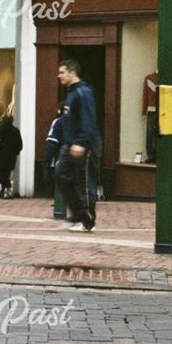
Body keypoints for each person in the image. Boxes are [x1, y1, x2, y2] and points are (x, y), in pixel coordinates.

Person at [56, 60, 102, 232]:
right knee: (61, 175)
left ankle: (88, 220)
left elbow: (89, 119)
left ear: (72, 72)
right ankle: (78, 214)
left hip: (84, 145)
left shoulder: (83, 92)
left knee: (84, 183)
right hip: (69, 144)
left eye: (62, 72)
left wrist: (81, 143)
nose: (59, 76)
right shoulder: (72, 93)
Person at [0, 115, 23, 199]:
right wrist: (15, 152)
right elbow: (20, 145)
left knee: (1, 173)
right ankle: (3, 190)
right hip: (11, 156)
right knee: (6, 173)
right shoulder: (15, 130)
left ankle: (7, 189)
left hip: (0, 155)